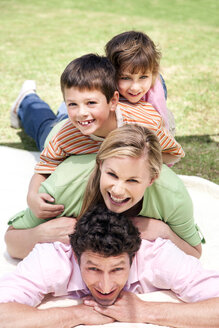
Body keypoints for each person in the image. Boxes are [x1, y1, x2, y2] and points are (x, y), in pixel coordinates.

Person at [10, 54, 184, 221]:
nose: (82, 112)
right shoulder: (64, 138)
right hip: (70, 126)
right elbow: (44, 169)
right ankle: (27, 100)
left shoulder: (145, 125)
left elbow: (173, 153)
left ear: (113, 101)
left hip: (92, 120)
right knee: (45, 128)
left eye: (91, 102)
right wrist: (32, 197)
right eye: (72, 103)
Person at [1, 205, 219, 328]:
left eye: (117, 269)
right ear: (76, 258)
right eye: (93, 269)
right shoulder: (52, 259)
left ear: (134, 257)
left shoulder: (158, 256)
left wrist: (145, 311)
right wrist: (77, 315)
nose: (105, 287)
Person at [5, 125, 202, 260]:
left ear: (152, 179)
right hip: (64, 134)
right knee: (44, 125)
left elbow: (195, 252)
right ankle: (28, 101)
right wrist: (40, 235)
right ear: (100, 165)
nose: (118, 190)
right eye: (112, 175)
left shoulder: (173, 196)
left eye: (132, 180)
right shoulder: (62, 187)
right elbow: (11, 242)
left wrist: (164, 232)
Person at [105, 30, 175, 134]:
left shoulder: (155, 94)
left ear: (152, 73)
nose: (135, 87)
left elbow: (162, 130)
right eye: (125, 78)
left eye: (143, 77)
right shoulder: (104, 82)